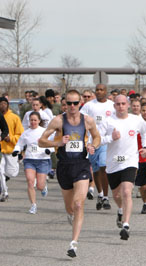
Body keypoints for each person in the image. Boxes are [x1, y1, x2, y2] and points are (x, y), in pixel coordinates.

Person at [39, 89, 100, 257]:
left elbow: (97, 137)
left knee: (79, 204)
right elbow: (41, 141)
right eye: (69, 103)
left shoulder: (87, 121)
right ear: (64, 104)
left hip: (81, 164)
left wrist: (93, 146)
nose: (72, 107)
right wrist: (58, 141)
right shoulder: (58, 121)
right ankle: (69, 214)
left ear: (80, 104)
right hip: (64, 166)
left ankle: (73, 243)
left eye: (75, 103)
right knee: (70, 207)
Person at [100, 95, 146, 240]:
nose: (121, 106)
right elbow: (96, 139)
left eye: (123, 103)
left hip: (130, 161)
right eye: (118, 104)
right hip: (113, 163)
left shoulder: (136, 120)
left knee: (127, 192)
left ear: (127, 105)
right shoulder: (108, 122)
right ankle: (120, 210)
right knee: (116, 195)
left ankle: (126, 225)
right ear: (114, 106)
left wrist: (145, 147)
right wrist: (110, 138)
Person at [80, 84, 115, 210]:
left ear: (106, 91)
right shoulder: (89, 105)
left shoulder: (111, 105)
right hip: (91, 142)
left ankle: (106, 197)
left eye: (101, 90)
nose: (99, 92)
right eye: (97, 90)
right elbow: (80, 119)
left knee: (103, 166)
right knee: (95, 170)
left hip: (105, 141)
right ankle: (100, 194)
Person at [13, 112, 53, 213]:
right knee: (30, 181)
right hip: (29, 159)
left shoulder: (44, 131)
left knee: (39, 185)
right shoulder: (26, 133)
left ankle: (43, 187)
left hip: (42, 159)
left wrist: (49, 150)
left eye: (35, 120)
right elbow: (19, 144)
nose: (33, 122)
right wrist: (16, 151)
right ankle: (33, 205)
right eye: (31, 120)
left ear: (39, 121)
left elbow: (51, 143)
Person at [0, 97, 21, 202]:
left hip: (10, 149)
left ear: (7, 105)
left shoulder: (14, 117)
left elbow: (20, 135)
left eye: (4, 103)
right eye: (1, 103)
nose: (2, 105)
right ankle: (5, 192)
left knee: (11, 173)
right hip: (1, 150)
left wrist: (11, 138)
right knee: (0, 171)